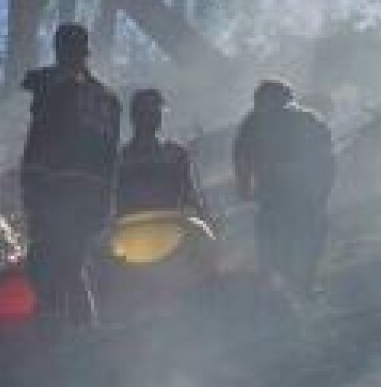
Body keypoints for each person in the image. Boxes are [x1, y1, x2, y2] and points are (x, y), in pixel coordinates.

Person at [19, 22, 121, 326]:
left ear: (62, 49)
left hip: (56, 194)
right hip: (91, 197)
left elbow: (41, 141)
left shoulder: (57, 88)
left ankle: (53, 328)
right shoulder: (107, 99)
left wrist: (30, 186)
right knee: (72, 264)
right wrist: (105, 200)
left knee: (45, 263)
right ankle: (80, 330)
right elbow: (109, 155)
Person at [233, 80, 335, 294]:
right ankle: (287, 286)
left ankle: (295, 284)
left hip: (297, 196)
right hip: (284, 196)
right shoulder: (257, 122)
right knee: (287, 240)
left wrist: (245, 188)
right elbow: (242, 157)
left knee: (299, 239)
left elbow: (326, 160)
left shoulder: (306, 120)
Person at [115, 89, 210, 222]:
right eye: (146, 113)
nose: (151, 116)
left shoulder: (176, 154)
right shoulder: (119, 160)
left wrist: (202, 220)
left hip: (167, 229)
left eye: (154, 112)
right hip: (132, 235)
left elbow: (189, 196)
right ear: (134, 117)